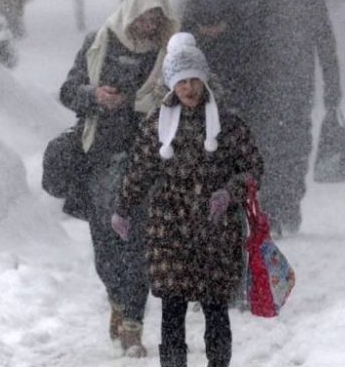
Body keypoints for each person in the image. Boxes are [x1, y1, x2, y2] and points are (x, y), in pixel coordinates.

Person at [111, 32, 263, 367]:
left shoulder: (227, 124)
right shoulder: (157, 126)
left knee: (215, 307)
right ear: (171, 85)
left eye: (194, 80)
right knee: (172, 307)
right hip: (169, 227)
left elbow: (253, 168)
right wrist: (123, 208)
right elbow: (140, 170)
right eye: (181, 82)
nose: (189, 89)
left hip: (216, 229)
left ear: (204, 80)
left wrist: (230, 192)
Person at [59, 0, 177, 357]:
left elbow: (191, 92)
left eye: (157, 17)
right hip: (101, 159)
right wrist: (95, 97)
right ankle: (117, 299)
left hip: (148, 161)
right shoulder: (100, 43)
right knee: (106, 246)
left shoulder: (169, 51)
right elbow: (68, 90)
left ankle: (132, 325)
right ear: (131, 12)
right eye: (144, 16)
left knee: (137, 242)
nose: (149, 24)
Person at [234, 0, 341, 235]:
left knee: (294, 148)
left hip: (294, 86)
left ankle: (288, 202)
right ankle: (271, 208)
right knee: (264, 150)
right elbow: (235, 44)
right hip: (257, 90)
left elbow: (325, 41)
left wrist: (333, 85)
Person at [182, 0, 252, 113]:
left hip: (238, 109)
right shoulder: (187, 40)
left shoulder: (244, 39)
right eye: (205, 25)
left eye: (217, 24)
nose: (212, 31)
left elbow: (249, 81)